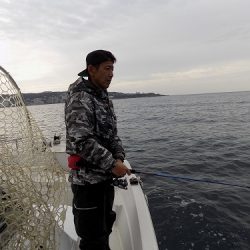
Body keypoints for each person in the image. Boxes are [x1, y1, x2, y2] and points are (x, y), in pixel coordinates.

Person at [65, 50, 131, 250]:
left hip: (105, 180)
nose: (111, 74)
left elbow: (112, 136)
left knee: (105, 229)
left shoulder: (104, 98)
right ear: (91, 70)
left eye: (113, 69)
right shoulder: (79, 98)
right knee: (92, 239)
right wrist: (112, 164)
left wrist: (119, 156)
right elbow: (81, 141)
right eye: (107, 68)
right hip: (87, 185)